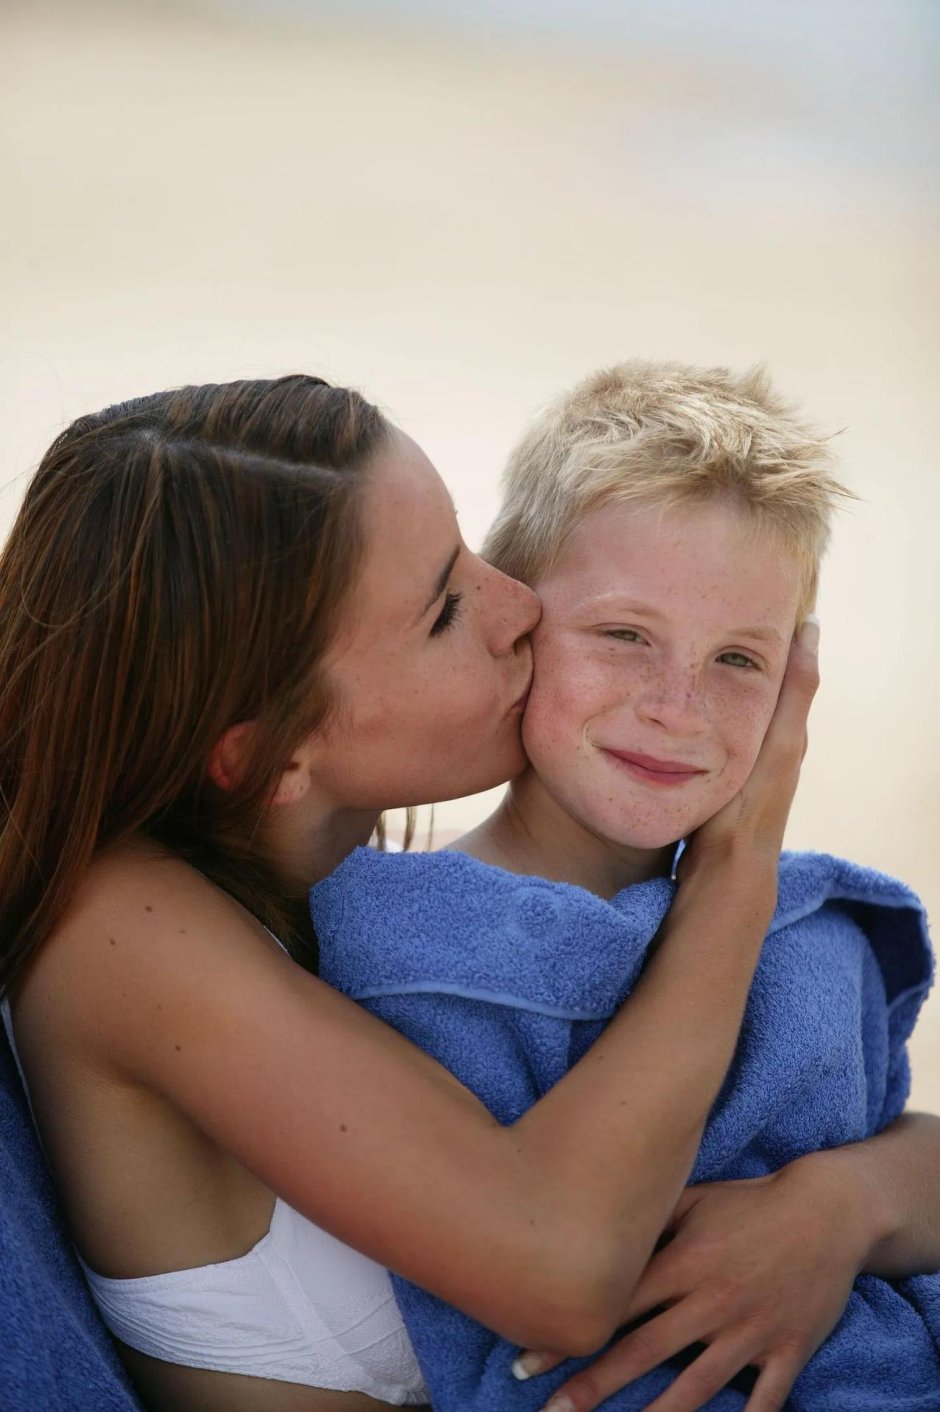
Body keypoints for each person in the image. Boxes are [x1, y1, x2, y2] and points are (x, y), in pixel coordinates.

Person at [0, 374, 935, 1412]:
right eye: (446, 604)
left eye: (469, 549)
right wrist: (738, 856)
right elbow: (562, 1271)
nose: (518, 604)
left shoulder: (376, 896)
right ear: (269, 754)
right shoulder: (120, 928)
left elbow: (846, 1137)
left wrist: (836, 1203)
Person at [312, 362, 940, 1411]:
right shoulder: (404, 953)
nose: (676, 706)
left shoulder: (808, 932)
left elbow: (893, 1143)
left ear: (797, 680)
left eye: (740, 659)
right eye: (623, 634)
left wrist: (840, 1201)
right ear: (513, 617)